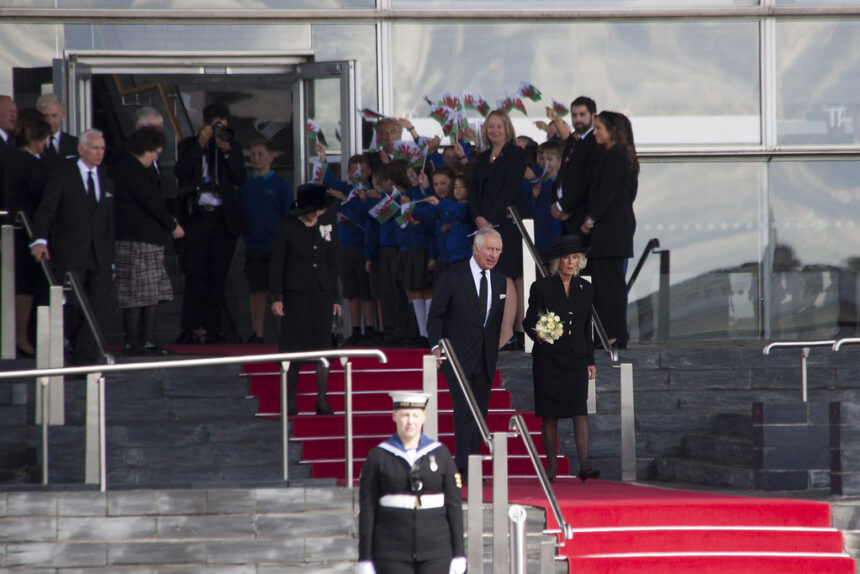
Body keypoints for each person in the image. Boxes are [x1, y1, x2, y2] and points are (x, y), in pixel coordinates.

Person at [31, 129, 115, 364]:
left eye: (103, 149)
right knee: (75, 306)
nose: (100, 153)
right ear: (81, 149)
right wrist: (39, 239)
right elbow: (47, 208)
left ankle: (84, 359)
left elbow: (108, 221)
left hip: (99, 255)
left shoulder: (107, 177)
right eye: (95, 148)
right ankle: (74, 349)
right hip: (70, 251)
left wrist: (112, 258)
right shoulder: (63, 174)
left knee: (96, 306)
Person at [358, 391, 465, 574]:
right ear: (394, 416)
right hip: (391, 553)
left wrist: (459, 554)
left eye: (415, 415)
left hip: (436, 552)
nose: (410, 421)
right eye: (405, 415)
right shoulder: (379, 456)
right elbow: (368, 509)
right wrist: (365, 558)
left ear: (423, 417)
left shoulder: (441, 455)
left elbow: (454, 507)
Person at [428, 228, 506, 476]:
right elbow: (436, 316)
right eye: (489, 249)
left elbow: (492, 323)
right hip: (457, 356)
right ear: (476, 248)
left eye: (498, 250)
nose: (494, 255)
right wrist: (437, 346)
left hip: (485, 359)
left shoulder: (500, 279)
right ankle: (464, 468)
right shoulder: (452, 277)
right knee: (464, 412)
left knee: (479, 414)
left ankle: (472, 465)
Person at [522, 235, 598, 482]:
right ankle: (551, 467)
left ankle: (584, 465)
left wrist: (590, 360)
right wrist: (540, 335)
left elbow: (587, 327)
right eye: (566, 257)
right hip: (548, 359)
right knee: (550, 413)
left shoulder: (585, 288)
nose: (571, 262)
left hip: (576, 357)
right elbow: (528, 321)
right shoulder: (542, 287)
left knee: (579, 410)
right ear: (557, 261)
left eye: (575, 257)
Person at [174, 102, 249, 344]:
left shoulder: (231, 145)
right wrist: (200, 144)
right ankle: (189, 328)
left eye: (222, 127)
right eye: (214, 126)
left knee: (218, 276)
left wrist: (226, 150)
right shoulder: (188, 145)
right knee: (195, 275)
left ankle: (213, 329)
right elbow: (181, 172)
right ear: (204, 125)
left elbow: (240, 177)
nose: (218, 131)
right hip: (197, 216)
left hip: (223, 219)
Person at [112, 126, 185, 355]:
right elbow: (151, 202)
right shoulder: (132, 170)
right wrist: (172, 225)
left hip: (142, 239)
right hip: (137, 240)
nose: (156, 157)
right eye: (156, 152)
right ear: (146, 148)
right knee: (137, 293)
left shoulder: (130, 168)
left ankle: (143, 339)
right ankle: (137, 340)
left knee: (146, 293)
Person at [269, 183, 340, 416]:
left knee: (323, 345)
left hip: (322, 292)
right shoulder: (286, 227)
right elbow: (277, 263)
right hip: (295, 293)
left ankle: (322, 399)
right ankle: (290, 401)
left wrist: (336, 297)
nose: (316, 215)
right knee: (294, 346)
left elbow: (332, 261)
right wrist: (277, 296)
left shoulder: (327, 224)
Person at [469, 109, 526, 351]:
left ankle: (513, 332)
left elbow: (510, 188)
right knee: (499, 276)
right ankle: (507, 332)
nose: (494, 130)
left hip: (508, 224)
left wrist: (491, 219)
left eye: (499, 126)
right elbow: (473, 192)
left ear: (507, 128)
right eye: (490, 127)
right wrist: (478, 217)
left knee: (509, 275)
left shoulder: (515, 154)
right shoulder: (481, 158)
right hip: (486, 225)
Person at [581, 111, 638, 349]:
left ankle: (613, 333)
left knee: (609, 284)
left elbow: (607, 193)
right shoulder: (618, 155)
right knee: (605, 282)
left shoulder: (615, 157)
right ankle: (610, 332)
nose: (595, 133)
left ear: (612, 131)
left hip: (611, 230)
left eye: (599, 129)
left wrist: (590, 220)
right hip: (614, 228)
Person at [3, 114, 51, 357]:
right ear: (35, 139)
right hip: (25, 234)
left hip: (14, 231)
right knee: (25, 287)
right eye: (44, 139)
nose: (46, 145)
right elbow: (42, 195)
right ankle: (21, 337)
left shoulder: (8, 158)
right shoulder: (29, 164)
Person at [237, 138, 293, 343]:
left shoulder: (280, 185)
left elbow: (288, 215)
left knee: (279, 291)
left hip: (276, 246)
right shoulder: (246, 186)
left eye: (261, 154)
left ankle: (282, 333)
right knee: (257, 290)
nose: (256, 159)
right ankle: (257, 333)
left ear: (271, 157)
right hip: (254, 245)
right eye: (252, 155)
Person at [548, 96, 598, 238]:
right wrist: (556, 204)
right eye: (574, 115)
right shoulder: (574, 142)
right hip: (566, 219)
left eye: (582, 115)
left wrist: (564, 206)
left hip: (582, 218)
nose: (578, 120)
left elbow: (586, 181)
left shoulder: (595, 143)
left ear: (593, 116)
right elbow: (562, 176)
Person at [36, 94, 78, 172]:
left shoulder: (75, 143)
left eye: (54, 116)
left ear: (62, 116)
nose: (49, 120)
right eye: (45, 116)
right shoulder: (33, 143)